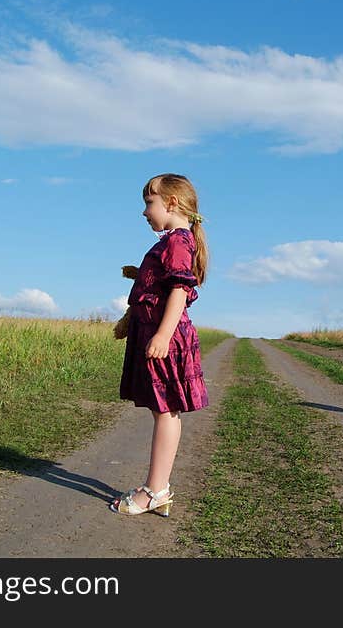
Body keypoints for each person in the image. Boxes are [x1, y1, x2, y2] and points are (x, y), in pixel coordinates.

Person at [111, 173, 210, 516]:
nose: (144, 212)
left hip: (164, 334)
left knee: (166, 411)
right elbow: (161, 283)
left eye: (148, 203)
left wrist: (164, 335)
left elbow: (180, 290)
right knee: (162, 409)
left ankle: (156, 490)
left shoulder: (178, 241)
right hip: (154, 330)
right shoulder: (172, 242)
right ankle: (157, 486)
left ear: (170, 203)